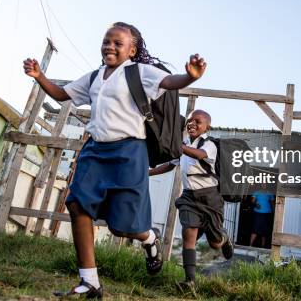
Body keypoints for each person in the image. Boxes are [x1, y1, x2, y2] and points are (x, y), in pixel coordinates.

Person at [23, 22, 207, 299]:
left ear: (131, 50)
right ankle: (89, 281)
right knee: (76, 204)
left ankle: (149, 238)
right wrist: (39, 76)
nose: (110, 46)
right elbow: (63, 95)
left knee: (122, 226)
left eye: (117, 43)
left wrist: (190, 77)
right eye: (106, 41)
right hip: (95, 150)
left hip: (129, 153)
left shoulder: (140, 73)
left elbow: (169, 83)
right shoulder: (95, 77)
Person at [149, 109, 233, 292]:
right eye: (189, 120)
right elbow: (170, 165)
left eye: (198, 121)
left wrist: (177, 145)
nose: (192, 123)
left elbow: (199, 155)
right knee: (189, 234)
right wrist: (147, 172)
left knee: (214, 243)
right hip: (189, 196)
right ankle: (190, 281)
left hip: (211, 198)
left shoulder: (209, 144)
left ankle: (224, 238)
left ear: (206, 127)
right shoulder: (185, 143)